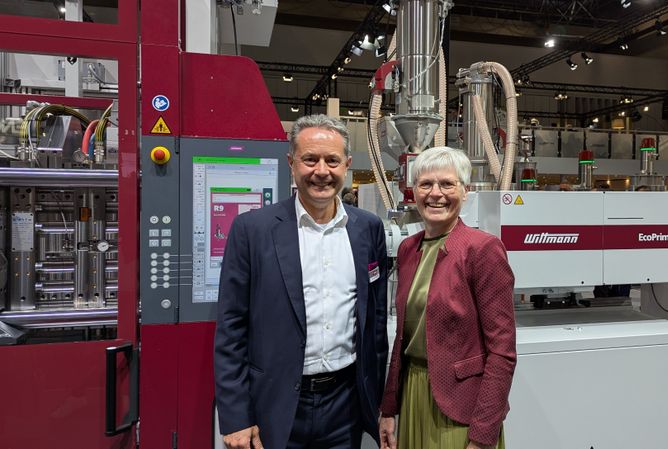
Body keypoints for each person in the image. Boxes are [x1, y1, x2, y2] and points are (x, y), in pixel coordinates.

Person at [214, 114, 388, 449]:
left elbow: (375, 322)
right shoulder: (253, 230)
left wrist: (377, 399)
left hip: (346, 404)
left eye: (332, 160)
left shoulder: (368, 228)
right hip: (275, 406)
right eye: (310, 159)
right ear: (291, 163)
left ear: (347, 165)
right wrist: (236, 416)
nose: (321, 171)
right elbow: (231, 328)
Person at [378, 146, 517, 449]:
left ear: (465, 191)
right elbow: (402, 339)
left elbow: (502, 353)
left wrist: (482, 436)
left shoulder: (482, 249)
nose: (435, 193)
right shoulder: (408, 250)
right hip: (413, 394)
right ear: (413, 191)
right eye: (425, 184)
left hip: (460, 407)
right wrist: (389, 409)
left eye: (447, 184)